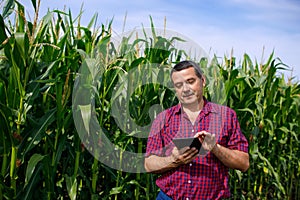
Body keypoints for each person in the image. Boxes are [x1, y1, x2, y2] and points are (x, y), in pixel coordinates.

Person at [144, 60, 249, 199]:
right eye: (179, 85)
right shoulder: (163, 119)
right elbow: (148, 164)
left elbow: (244, 163)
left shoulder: (226, 116)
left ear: (203, 80)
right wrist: (173, 159)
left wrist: (216, 148)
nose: (185, 89)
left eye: (191, 81)